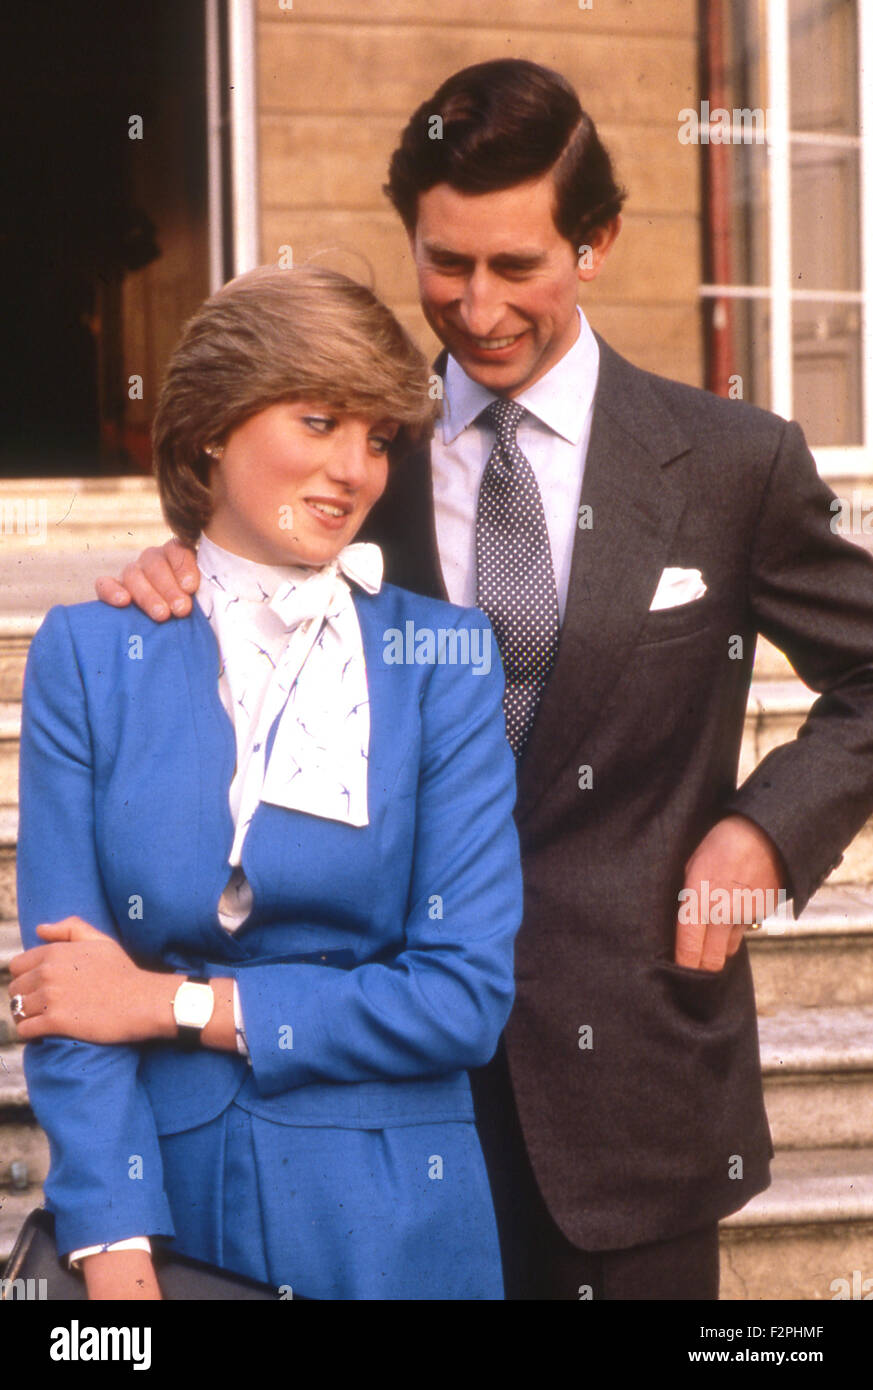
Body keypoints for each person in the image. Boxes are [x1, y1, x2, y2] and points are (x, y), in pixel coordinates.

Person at [93, 60, 873, 1301]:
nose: (478, 304)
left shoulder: (734, 464)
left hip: (636, 1092)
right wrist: (178, 572)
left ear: (598, 241)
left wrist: (761, 837)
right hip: (370, 1106)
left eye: (518, 266)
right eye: (445, 264)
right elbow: (238, 567)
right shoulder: (357, 461)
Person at [9, 263, 522, 1301]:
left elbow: (462, 998)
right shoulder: (88, 652)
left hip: (396, 1218)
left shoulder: (445, 658)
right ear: (210, 427)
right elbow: (68, 991)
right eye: (320, 420)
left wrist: (173, 1001)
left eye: (377, 437)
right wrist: (114, 1253)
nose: (354, 469)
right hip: (169, 1214)